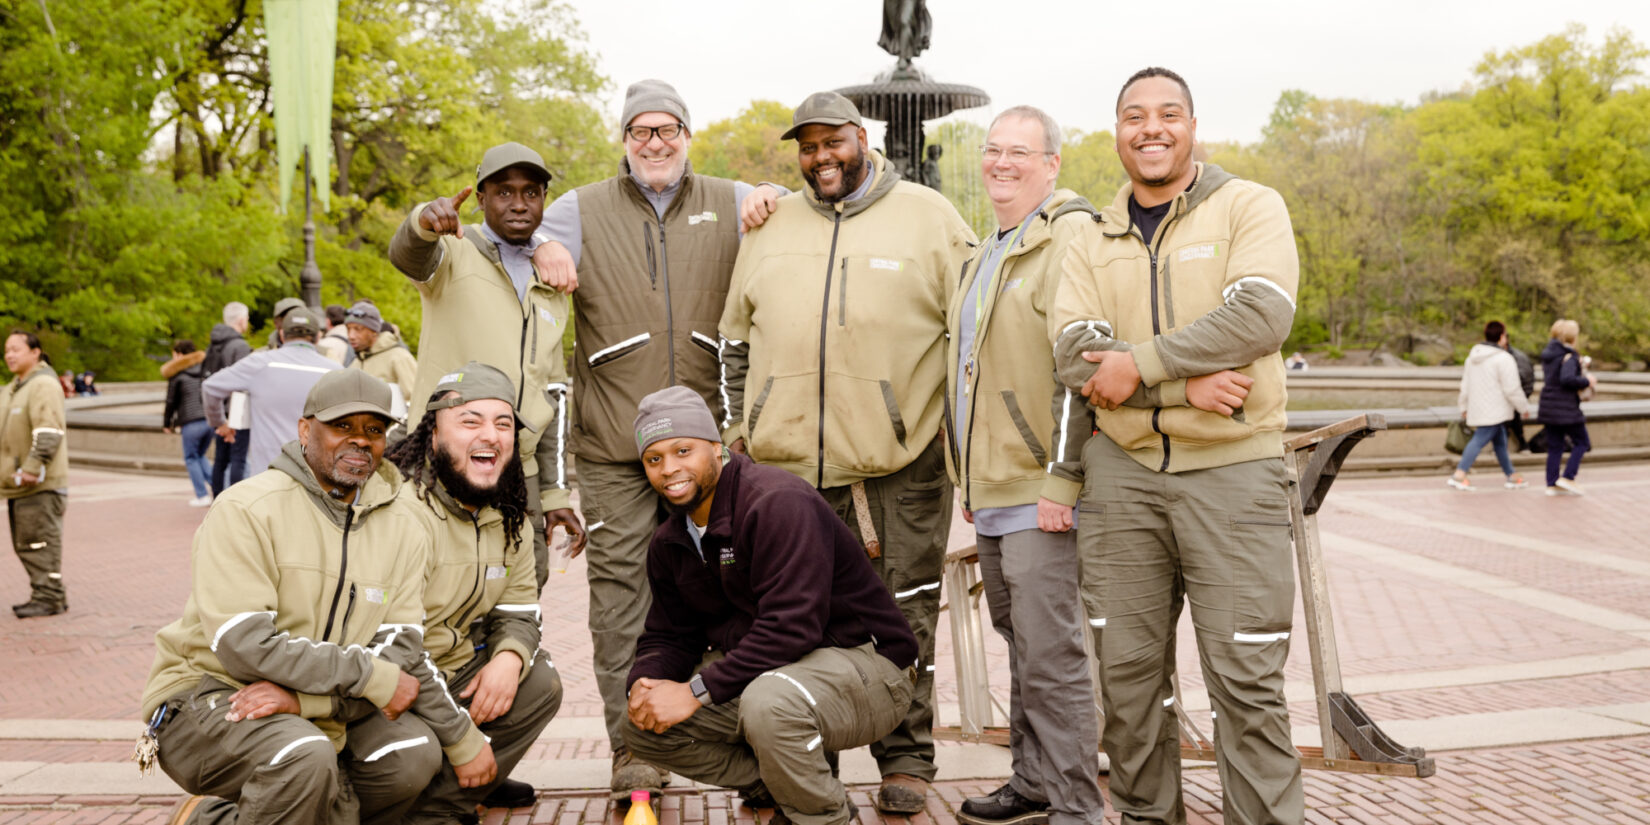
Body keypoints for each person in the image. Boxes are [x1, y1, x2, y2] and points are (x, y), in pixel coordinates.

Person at [1049, 67, 1305, 825]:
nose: (1150, 128)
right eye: (1134, 116)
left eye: (1167, 114)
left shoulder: (1249, 206)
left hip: (1235, 475)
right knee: (1126, 685)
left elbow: (1261, 316)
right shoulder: (1091, 234)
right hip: (1121, 480)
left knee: (1246, 681)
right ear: (1117, 130)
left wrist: (1141, 365)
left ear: (1192, 125)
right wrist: (1180, 387)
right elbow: (1072, 353)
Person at [525, 79, 786, 798]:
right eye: (640, 131)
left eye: (667, 129)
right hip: (615, 443)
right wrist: (545, 246)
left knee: (737, 592)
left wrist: (772, 193)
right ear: (624, 140)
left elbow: (797, 227)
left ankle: (752, 748)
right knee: (621, 602)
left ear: (687, 135)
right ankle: (633, 749)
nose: (655, 143)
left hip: (709, 449)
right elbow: (523, 240)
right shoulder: (580, 208)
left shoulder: (730, 198)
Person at [719, 90, 975, 814]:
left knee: (906, 614)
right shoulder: (770, 224)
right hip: (785, 473)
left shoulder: (931, 217)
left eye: (833, 142)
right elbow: (733, 340)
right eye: (807, 147)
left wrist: (949, 440)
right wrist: (741, 432)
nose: (821, 158)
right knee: (790, 618)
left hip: (900, 469)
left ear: (862, 138)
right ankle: (804, 762)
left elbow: (972, 339)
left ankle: (907, 756)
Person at [137, 370, 460, 825]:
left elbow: (401, 645)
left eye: (374, 430)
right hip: (211, 690)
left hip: (324, 701)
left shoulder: (403, 526)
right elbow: (244, 645)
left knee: (412, 756)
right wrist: (369, 675)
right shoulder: (247, 508)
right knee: (302, 758)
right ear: (305, 429)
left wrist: (313, 703)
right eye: (342, 426)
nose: (361, 441)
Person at [621, 387, 919, 825]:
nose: (670, 469)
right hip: (778, 671)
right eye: (655, 459)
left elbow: (792, 626)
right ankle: (797, 786)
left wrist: (694, 692)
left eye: (683, 450)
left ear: (717, 448)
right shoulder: (670, 541)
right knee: (641, 728)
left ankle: (820, 816)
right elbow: (670, 634)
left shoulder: (776, 502)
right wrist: (645, 685)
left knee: (769, 703)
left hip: (871, 666)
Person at [946, 106, 1104, 825]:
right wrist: (969, 479)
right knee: (1023, 644)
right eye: (992, 149)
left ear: (1052, 164)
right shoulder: (991, 247)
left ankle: (1077, 804)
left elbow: (1081, 368)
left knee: (1053, 653)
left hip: (1043, 487)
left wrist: (1061, 477)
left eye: (1019, 151)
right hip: (993, 489)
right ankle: (1033, 782)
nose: (1001, 162)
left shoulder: (1068, 234)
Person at [389, 141, 582, 599]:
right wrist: (423, 221)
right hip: (445, 461)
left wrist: (555, 497)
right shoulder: (453, 253)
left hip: (520, 469)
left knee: (519, 592)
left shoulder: (552, 285)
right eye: (504, 192)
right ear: (480, 198)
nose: (519, 203)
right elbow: (408, 255)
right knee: (432, 588)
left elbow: (553, 395)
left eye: (531, 193)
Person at [379, 362, 565, 818]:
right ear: (434, 436)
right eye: (470, 421)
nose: (492, 434)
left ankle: (436, 809)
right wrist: (462, 738)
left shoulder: (510, 519)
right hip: (388, 680)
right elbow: (391, 648)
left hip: (452, 671)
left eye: (504, 424)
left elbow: (521, 611)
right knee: (409, 759)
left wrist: (508, 658)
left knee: (538, 681)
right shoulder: (400, 513)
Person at [202, 310, 341, 477]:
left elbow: (210, 387)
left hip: (269, 473)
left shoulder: (260, 363)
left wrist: (220, 423)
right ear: (318, 337)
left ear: (281, 335)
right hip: (318, 475)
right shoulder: (336, 371)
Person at [1, 330, 70, 618]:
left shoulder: (43, 384)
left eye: (16, 349)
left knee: (39, 542)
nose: (10, 355)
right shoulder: (13, 387)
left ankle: (49, 597)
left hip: (38, 483)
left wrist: (32, 467)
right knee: (26, 543)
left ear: (35, 352)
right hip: (17, 482)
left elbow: (49, 430)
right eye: (6, 350)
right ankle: (48, 594)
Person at [1448, 321, 1530, 491]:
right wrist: (1523, 407)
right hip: (1497, 409)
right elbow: (1512, 388)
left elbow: (1465, 385)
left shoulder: (1472, 358)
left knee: (1500, 442)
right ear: (1501, 337)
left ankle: (1511, 475)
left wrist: (1463, 406)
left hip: (1480, 408)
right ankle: (1459, 474)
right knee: (1479, 440)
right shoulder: (1504, 359)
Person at [1538, 318, 1595, 496]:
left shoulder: (1549, 354)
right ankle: (1568, 477)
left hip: (1548, 405)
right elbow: (1567, 379)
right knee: (1582, 442)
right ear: (1573, 337)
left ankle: (1552, 483)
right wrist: (1588, 381)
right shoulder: (1569, 356)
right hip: (1566, 407)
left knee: (1555, 446)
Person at [203, 301, 254, 495]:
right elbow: (242, 383)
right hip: (236, 412)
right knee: (238, 459)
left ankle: (217, 499)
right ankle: (236, 502)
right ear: (241, 320)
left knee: (220, 460)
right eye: (247, 319)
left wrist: (217, 419)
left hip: (219, 411)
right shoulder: (239, 346)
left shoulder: (213, 345)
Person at [161, 339, 214, 506]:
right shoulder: (205, 370)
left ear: (179, 354)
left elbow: (170, 401)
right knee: (200, 455)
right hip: (209, 420)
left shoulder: (177, 375)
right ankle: (220, 488)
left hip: (191, 422)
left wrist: (167, 423)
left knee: (191, 458)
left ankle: (202, 495)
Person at [345, 302, 418, 403]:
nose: (351, 336)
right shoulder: (356, 363)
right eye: (348, 329)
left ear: (374, 331)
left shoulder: (399, 357)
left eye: (358, 329)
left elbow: (416, 400)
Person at [1500, 336, 1536, 451]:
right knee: (1511, 418)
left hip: (1521, 392)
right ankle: (1521, 445)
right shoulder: (1504, 355)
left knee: (1508, 417)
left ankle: (1513, 445)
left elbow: (1520, 380)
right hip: (1514, 393)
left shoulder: (1517, 357)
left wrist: (1522, 405)